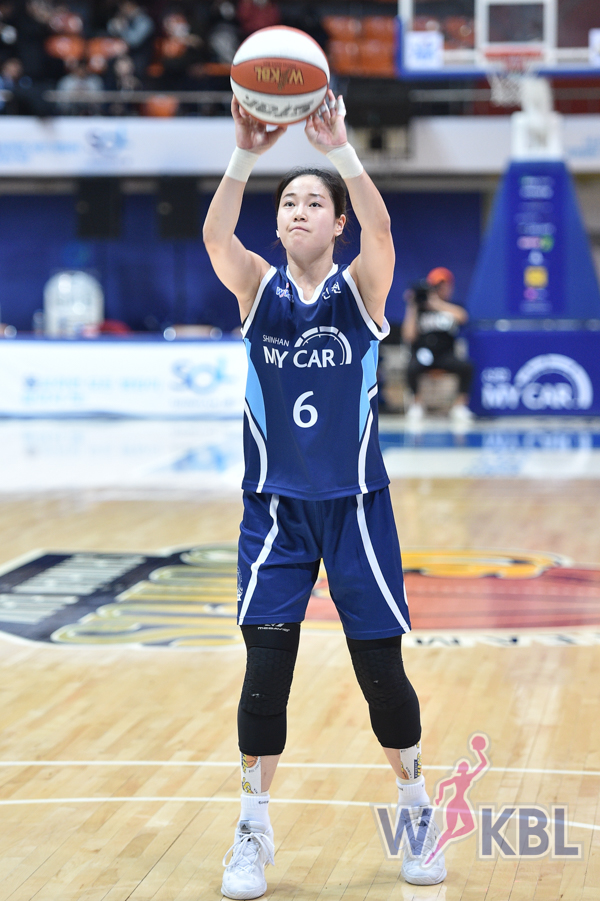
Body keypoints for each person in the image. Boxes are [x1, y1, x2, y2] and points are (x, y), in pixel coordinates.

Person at [203, 91, 447, 899]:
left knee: (381, 675)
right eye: (289, 203)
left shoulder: (361, 292)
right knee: (264, 676)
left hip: (356, 509)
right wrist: (246, 154)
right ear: (277, 225)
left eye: (313, 202)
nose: (299, 211)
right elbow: (215, 236)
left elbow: (384, 230)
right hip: (275, 510)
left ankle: (416, 808)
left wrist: (339, 151)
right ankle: (251, 827)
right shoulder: (255, 288)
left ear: (336, 222)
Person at [402, 267, 474, 423]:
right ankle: (416, 405)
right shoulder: (420, 309)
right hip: (424, 354)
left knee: (466, 367)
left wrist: (437, 304)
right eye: (437, 286)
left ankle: (459, 407)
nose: (441, 289)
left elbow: (463, 317)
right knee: (411, 367)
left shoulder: (453, 306)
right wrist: (412, 306)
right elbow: (408, 335)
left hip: (446, 354)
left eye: (444, 286)